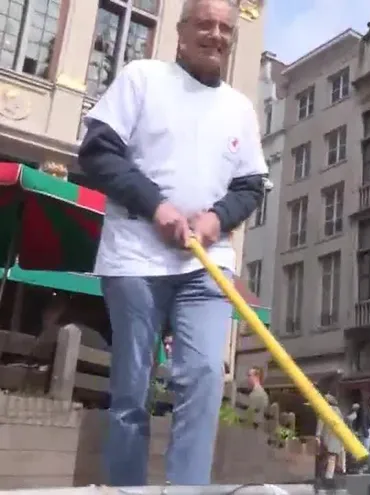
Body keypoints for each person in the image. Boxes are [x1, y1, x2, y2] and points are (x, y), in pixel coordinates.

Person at [77, 0, 267, 485]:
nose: (217, 35)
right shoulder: (142, 78)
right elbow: (98, 153)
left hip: (207, 264)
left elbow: (249, 188)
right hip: (135, 257)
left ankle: (187, 488)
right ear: (181, 32)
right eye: (205, 24)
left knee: (204, 376)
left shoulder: (240, 108)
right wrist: (156, 206)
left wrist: (214, 219)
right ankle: (126, 485)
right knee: (132, 386)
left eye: (226, 28)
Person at [316, 394, 346, 482]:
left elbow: (320, 424)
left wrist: (318, 435)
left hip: (327, 437)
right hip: (336, 437)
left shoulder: (324, 410)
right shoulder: (338, 411)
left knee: (328, 458)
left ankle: (327, 477)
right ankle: (332, 475)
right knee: (333, 457)